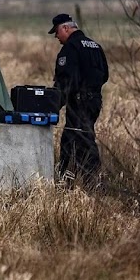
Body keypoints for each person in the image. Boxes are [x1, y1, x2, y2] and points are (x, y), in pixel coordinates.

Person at [50, 13, 109, 185]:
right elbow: (105, 75)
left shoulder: (70, 48)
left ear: (65, 28)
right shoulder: (95, 46)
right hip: (94, 101)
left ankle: (94, 182)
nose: (56, 37)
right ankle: (65, 179)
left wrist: (53, 105)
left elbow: (66, 81)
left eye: (56, 32)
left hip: (79, 102)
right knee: (70, 139)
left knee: (84, 140)